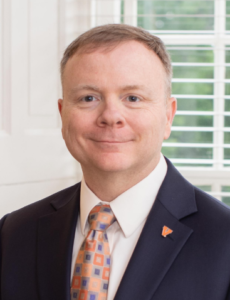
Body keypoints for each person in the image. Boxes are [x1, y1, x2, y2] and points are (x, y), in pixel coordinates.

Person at [1, 24, 230, 300]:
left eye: (133, 98)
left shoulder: (224, 240)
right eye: (89, 98)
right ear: (63, 116)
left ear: (168, 117)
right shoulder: (13, 234)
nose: (110, 115)